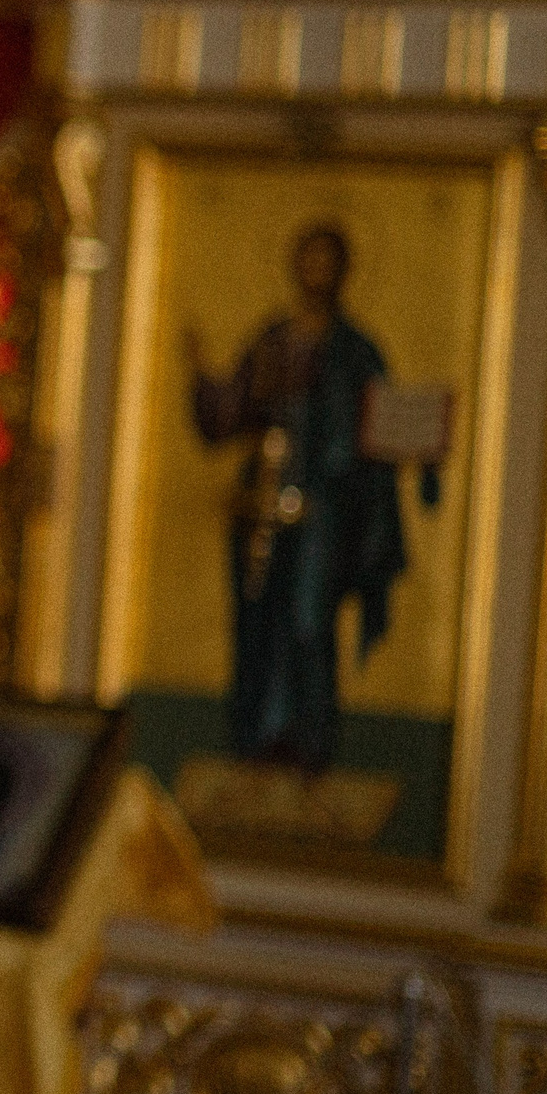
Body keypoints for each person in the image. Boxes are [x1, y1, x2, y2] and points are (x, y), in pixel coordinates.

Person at [182, 221, 408, 773]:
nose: (316, 271)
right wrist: (200, 376)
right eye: (308, 258)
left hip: (323, 515)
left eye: (326, 260)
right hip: (262, 507)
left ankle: (310, 749)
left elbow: (380, 430)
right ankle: (256, 744)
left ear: (342, 271)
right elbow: (229, 413)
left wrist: (410, 449)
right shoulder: (272, 342)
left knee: (309, 624)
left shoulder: (356, 352)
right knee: (258, 622)